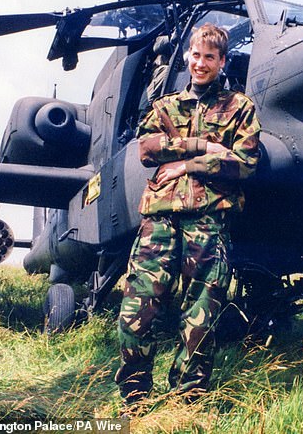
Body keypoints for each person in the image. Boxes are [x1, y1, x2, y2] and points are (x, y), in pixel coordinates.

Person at [115, 23, 261, 404]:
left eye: (209, 57)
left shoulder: (240, 107)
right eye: (196, 55)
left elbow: (245, 163)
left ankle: (187, 397)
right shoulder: (164, 106)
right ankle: (135, 394)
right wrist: (204, 147)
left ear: (221, 61)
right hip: (160, 221)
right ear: (187, 57)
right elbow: (146, 149)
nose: (201, 63)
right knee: (137, 308)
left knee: (201, 313)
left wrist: (186, 165)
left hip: (209, 221)